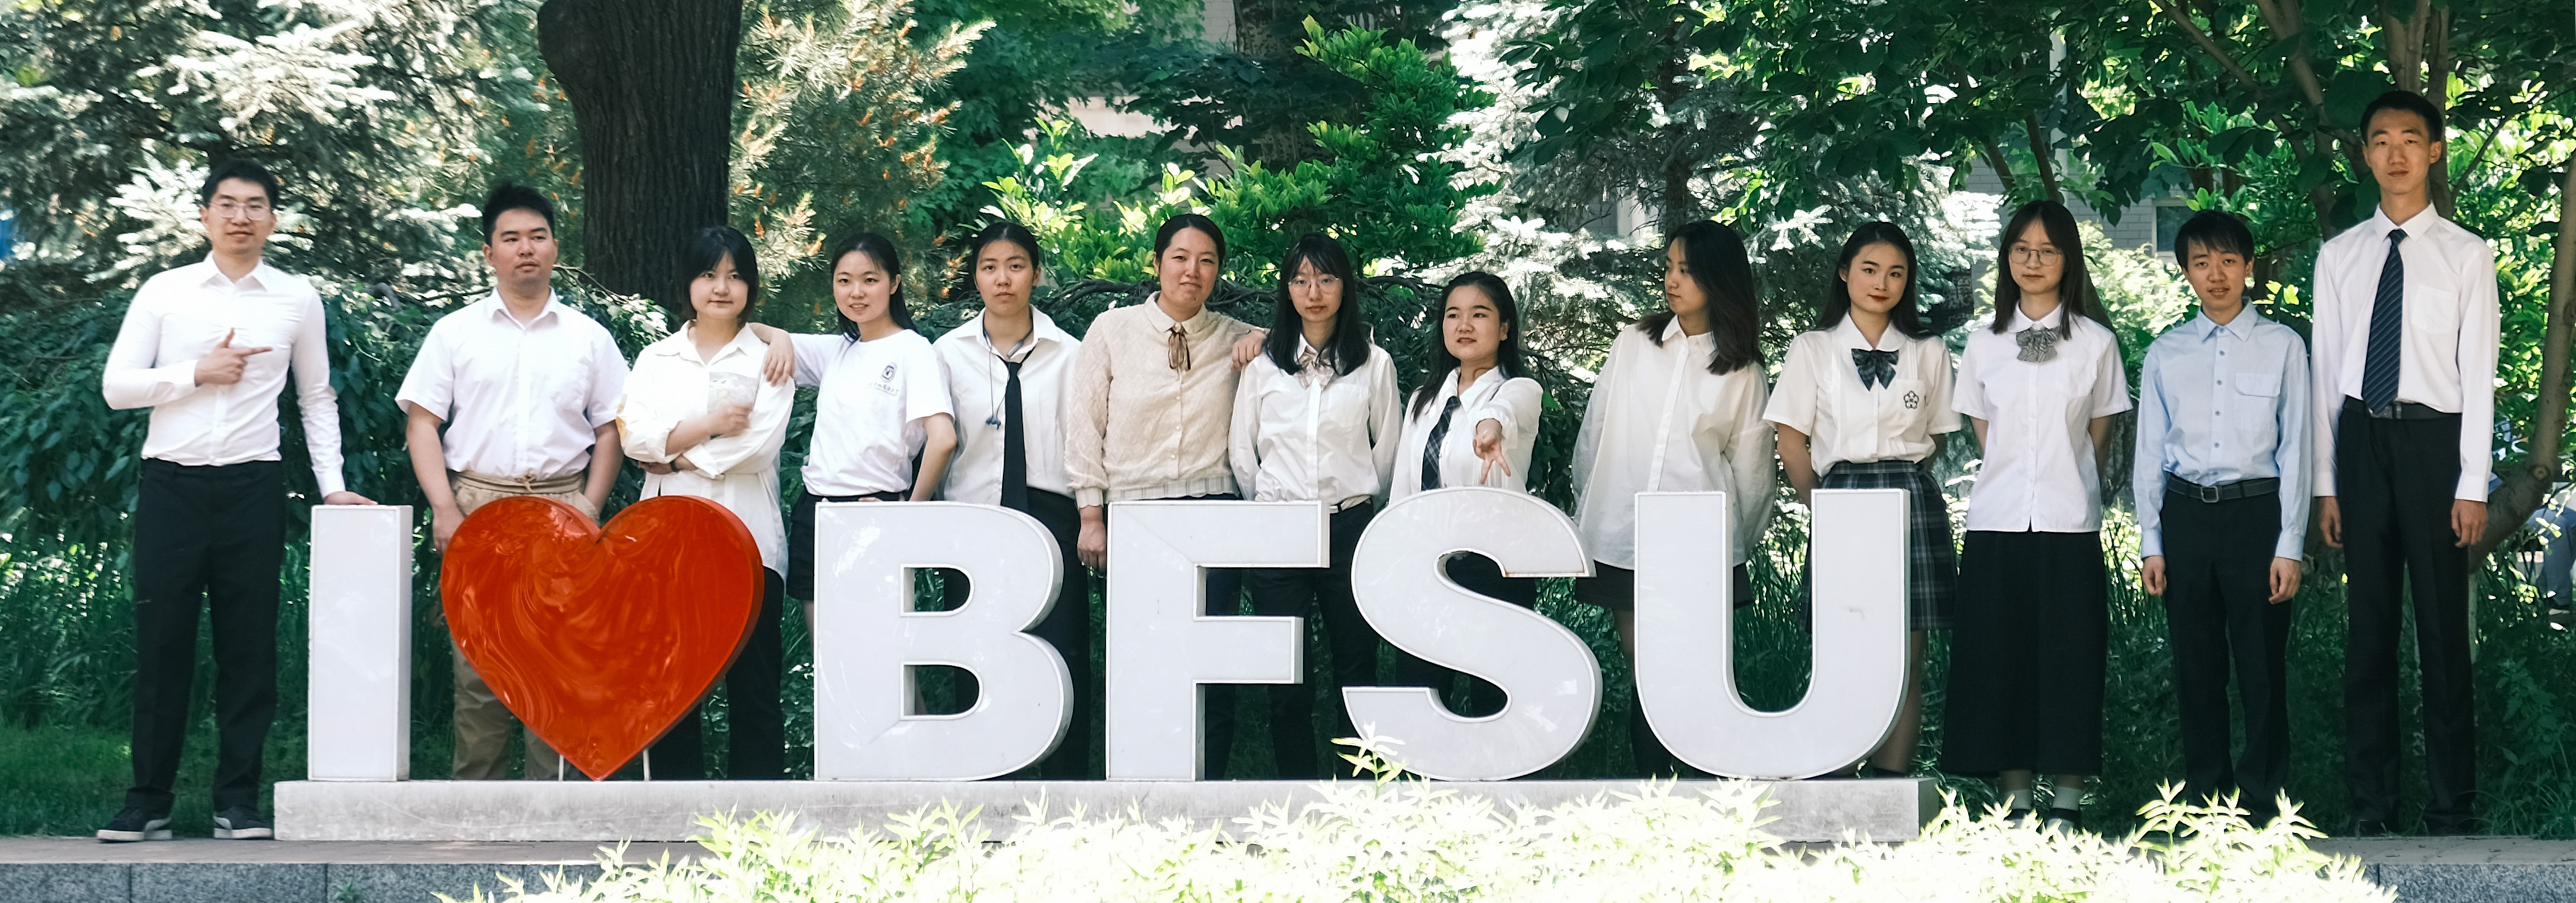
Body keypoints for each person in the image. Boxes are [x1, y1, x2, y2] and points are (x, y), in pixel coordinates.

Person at [97, 159, 378, 842]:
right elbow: (117, 386)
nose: (240, 216)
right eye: (227, 203)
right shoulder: (165, 292)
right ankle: (148, 800)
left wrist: (332, 484)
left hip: (253, 486)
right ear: (204, 215)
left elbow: (316, 396)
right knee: (163, 644)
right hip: (171, 485)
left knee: (248, 649)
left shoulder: (296, 298)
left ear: (273, 220)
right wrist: (197, 372)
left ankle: (237, 800)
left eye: (255, 205)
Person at [2311, 89, 2499, 836]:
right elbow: (2326, 376)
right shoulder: (2339, 256)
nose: (2395, 153)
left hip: (2433, 445)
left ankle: (2450, 806)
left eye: (2410, 139)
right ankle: (2372, 805)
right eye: (2381, 140)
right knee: (2368, 629)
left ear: (2433, 152)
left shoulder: (2465, 254)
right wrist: (2326, 483)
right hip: (2361, 442)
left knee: (2441, 631)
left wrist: (2471, 483)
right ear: (2364, 154)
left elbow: (2476, 374)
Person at [397, 183, 629, 782]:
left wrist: (589, 506)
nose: (525, 248)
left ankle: (554, 804)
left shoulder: (588, 337)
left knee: (560, 663)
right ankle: (478, 805)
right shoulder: (455, 333)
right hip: (479, 502)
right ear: (489, 253)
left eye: (537, 236)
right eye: (511, 238)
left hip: (562, 502)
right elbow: (422, 423)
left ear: (554, 247)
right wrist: (444, 508)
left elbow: (611, 429)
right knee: (479, 665)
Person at [1939, 200, 2131, 831]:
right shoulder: (1982, 343)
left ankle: (2066, 803)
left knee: (2071, 659)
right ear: (2006, 259)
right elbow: (1982, 432)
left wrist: (2060, 476)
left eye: (2047, 250)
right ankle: (2016, 800)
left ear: (2068, 259)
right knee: (2000, 660)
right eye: (2020, 249)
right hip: (1996, 523)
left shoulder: (2096, 344)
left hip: (2067, 522)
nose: (2032, 261)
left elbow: (2097, 433)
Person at [1570, 219, 1773, 777]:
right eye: (1668, 267)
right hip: (1623, 531)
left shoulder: (1742, 370)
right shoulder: (1634, 344)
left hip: (1699, 542)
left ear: (1718, 278)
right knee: (1644, 661)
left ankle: (1702, 776)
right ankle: (1652, 783)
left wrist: (1731, 546)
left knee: (1693, 664)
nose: (1671, 280)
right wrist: (1593, 507)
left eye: (1686, 270)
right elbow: (1595, 431)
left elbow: (1753, 473)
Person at [1763, 222, 1961, 780]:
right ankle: (1836, 769)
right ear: (1844, 273)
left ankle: (1889, 779)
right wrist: (1824, 509)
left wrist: (1902, 482)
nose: (1881, 283)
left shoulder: (1927, 350)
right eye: (1870, 270)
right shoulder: (1813, 348)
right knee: (1845, 646)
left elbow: (1938, 437)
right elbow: (1790, 441)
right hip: (1841, 495)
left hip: (1910, 498)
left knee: (1908, 650)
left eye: (1896, 273)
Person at [1064, 214, 1260, 777]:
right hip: (1136, 515)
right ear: (1156, 263)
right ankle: (1140, 786)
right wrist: (1091, 515)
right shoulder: (1112, 330)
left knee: (1212, 661)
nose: (1191, 271)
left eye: (1206, 261)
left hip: (1213, 511)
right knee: (1141, 658)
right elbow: (1084, 425)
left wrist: (1265, 339)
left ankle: (1208, 784)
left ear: (1218, 272)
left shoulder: (1235, 336)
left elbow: (1307, 342)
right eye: (1179, 257)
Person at [2132, 209, 2310, 825]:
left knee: (2261, 666)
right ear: (2185, 271)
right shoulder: (2166, 352)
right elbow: (2149, 451)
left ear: (2248, 267)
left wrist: (2289, 544)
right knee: (2196, 664)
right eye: (2201, 263)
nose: (2216, 274)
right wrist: (2151, 541)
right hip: (2185, 517)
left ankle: (2261, 802)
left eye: (2228, 261)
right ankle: (2205, 801)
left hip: (2256, 516)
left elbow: (2296, 448)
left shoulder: (2283, 346)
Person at [618, 225, 795, 779]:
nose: (721, 288)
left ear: (751, 287)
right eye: (709, 274)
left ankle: (759, 818)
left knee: (755, 690)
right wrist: (709, 426)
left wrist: (674, 457)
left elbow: (758, 447)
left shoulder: (768, 358)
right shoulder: (656, 358)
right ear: (688, 283)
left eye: (735, 276)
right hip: (668, 546)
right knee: (671, 690)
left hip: (750, 543)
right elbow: (632, 437)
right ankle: (674, 813)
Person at [1228, 233, 1401, 779]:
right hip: (1279, 531)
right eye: (1301, 280)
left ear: (1345, 287)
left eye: (1326, 279)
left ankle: (1360, 787)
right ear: (1287, 289)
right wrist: (1271, 507)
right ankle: (1296, 789)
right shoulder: (1263, 367)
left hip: (1348, 527)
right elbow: (1243, 451)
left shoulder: (1373, 364)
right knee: (1286, 673)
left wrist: (1359, 502)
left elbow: (1387, 451)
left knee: (1356, 662)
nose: (1314, 292)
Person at [931, 221, 1094, 777]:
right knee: (974, 650)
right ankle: (983, 781)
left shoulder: (1070, 354)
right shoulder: (947, 354)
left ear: (1036, 274)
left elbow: (1083, 445)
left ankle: (1067, 785)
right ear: (976, 277)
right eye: (990, 267)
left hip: (1051, 517)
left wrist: (1089, 516)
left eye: (1016, 266)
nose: (1003, 279)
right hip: (973, 519)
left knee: (1061, 649)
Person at [748, 233, 957, 616]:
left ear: (894, 284)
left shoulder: (913, 350)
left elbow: (943, 439)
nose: (856, 292)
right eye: (844, 281)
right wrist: (778, 336)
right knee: (823, 646)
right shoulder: (838, 349)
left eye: (870, 280)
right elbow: (748, 332)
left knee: (876, 642)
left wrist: (909, 513)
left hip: (872, 510)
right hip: (815, 511)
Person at [1385, 270, 1546, 718]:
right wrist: (1398, 558)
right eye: (1453, 315)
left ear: (1505, 328)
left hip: (1492, 567)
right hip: (1427, 567)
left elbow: (1504, 412)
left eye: (1479, 314)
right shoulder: (1424, 399)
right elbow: (1404, 488)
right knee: (1420, 693)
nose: (1464, 325)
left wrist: (1489, 429)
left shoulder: (1519, 390)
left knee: (1492, 700)